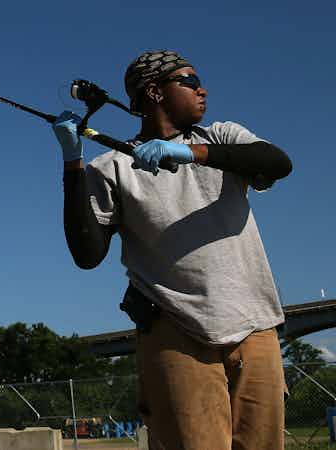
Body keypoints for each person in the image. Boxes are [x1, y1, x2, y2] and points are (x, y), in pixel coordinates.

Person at [52, 50, 292, 450]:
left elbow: (277, 162)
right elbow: (87, 254)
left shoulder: (222, 137)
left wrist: (188, 153)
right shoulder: (112, 167)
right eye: (190, 80)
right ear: (154, 92)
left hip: (254, 324)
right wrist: (72, 162)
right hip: (175, 328)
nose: (203, 89)